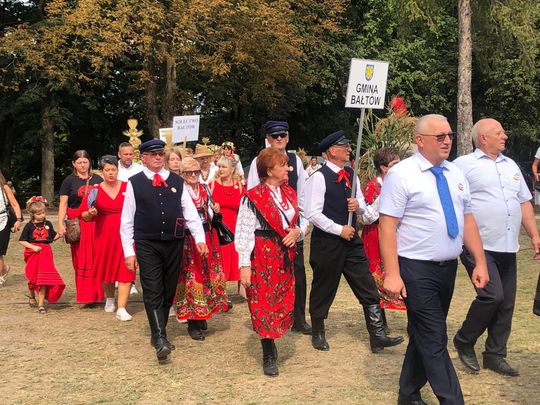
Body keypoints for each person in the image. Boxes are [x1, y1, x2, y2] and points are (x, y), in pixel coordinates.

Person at [379, 114, 489, 405]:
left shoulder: (455, 173)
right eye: (440, 136)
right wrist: (392, 273)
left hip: (447, 268)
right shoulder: (402, 174)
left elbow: (467, 220)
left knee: (423, 333)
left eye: (449, 135)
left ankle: (408, 394)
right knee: (434, 336)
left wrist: (480, 261)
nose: (447, 141)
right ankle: (452, 400)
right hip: (415, 268)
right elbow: (387, 225)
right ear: (420, 140)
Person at [451, 118, 540, 377]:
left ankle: (495, 354)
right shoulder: (463, 165)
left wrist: (534, 235)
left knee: (506, 303)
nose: (504, 136)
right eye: (499, 133)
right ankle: (465, 339)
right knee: (492, 296)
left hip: (508, 245)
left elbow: (524, 202)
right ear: (483, 138)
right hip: (479, 245)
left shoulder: (510, 165)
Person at [303, 130, 403, 354]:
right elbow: (313, 213)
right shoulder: (318, 177)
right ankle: (318, 331)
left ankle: (377, 334)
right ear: (331, 151)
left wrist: (358, 206)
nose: (349, 149)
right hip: (328, 242)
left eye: (349, 145)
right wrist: (339, 229)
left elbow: (364, 210)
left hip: (351, 241)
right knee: (324, 287)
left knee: (366, 283)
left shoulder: (352, 174)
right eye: (344, 146)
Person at [120, 139, 208, 364]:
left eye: (161, 154)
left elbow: (189, 212)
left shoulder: (177, 181)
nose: (158, 158)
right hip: (147, 243)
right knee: (152, 289)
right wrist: (129, 251)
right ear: (144, 158)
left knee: (168, 290)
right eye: (153, 155)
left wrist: (199, 238)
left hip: (173, 242)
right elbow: (127, 220)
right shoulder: (134, 183)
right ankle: (160, 338)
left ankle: (158, 331)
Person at [236, 147, 308, 376]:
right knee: (262, 303)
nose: (288, 169)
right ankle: (268, 351)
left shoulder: (289, 193)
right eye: (282, 165)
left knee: (282, 299)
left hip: (284, 255)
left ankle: (273, 338)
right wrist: (244, 265)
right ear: (269, 171)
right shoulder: (252, 197)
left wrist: (297, 232)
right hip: (262, 254)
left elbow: (303, 220)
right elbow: (244, 232)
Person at [247, 120, 311, 334]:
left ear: (288, 137)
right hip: (269, 229)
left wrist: (301, 226)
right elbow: (253, 195)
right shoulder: (259, 161)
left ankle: (298, 318)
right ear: (268, 138)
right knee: (269, 278)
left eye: (283, 135)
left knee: (297, 274)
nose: (279, 139)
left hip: (292, 225)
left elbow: (302, 194)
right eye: (275, 136)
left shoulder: (296, 161)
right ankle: (271, 318)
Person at [176, 157, 228, 340]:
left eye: (196, 171)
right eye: (188, 172)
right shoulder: (180, 190)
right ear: (182, 173)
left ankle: (203, 313)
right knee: (192, 278)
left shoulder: (205, 188)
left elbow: (211, 215)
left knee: (208, 276)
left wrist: (216, 210)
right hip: (188, 240)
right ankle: (192, 320)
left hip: (208, 237)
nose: (193, 175)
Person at [82, 155, 135, 321]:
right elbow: (83, 215)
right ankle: (110, 298)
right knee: (106, 268)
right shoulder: (95, 190)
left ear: (118, 171)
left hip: (126, 234)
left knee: (127, 269)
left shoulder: (128, 187)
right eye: (107, 170)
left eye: (113, 170)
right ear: (102, 172)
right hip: (104, 235)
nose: (111, 173)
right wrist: (90, 213)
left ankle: (122, 307)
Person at [361, 148, 405, 332]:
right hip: (375, 235)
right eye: (395, 164)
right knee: (376, 278)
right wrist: (385, 195)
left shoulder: (404, 182)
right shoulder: (373, 187)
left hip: (399, 235)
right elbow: (366, 217)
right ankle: (380, 323)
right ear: (383, 168)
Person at [57, 150, 103, 304]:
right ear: (74, 164)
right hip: (77, 224)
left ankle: (97, 294)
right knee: (81, 260)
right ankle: (86, 295)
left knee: (96, 259)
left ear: (89, 162)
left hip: (95, 224)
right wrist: (60, 224)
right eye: (79, 162)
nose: (82, 165)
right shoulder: (68, 181)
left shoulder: (98, 179)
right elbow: (63, 204)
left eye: (85, 162)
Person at [209, 155, 246, 299]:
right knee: (220, 258)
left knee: (237, 257)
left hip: (235, 228)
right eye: (219, 166)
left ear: (232, 169)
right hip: (218, 228)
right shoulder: (212, 185)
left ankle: (243, 291)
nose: (220, 169)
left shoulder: (240, 187)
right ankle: (220, 293)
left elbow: (246, 208)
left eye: (224, 167)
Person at [19, 197, 64, 313]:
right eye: (39, 214)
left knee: (43, 279)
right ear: (33, 214)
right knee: (33, 277)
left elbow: (51, 238)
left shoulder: (48, 224)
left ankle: (41, 304)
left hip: (46, 253)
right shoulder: (29, 226)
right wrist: (33, 247)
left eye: (43, 212)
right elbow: (22, 241)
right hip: (33, 253)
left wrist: (60, 234)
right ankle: (32, 296)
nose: (42, 215)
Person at [0, 170, 23, 286]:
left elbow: (14, 204)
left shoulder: (4, 187)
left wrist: (18, 219)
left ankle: (0, 277)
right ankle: (3, 268)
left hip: (2, 220)